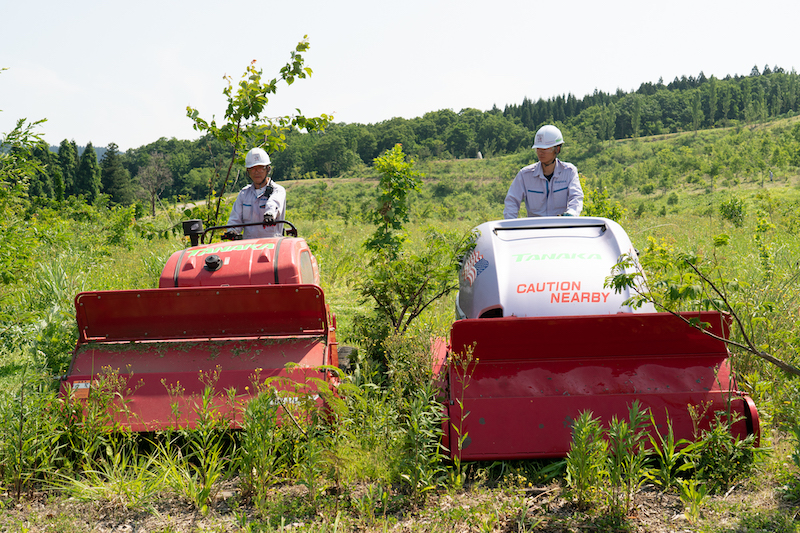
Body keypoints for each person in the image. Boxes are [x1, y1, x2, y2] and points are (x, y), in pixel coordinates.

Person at [503, 125, 583, 218]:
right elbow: (511, 201)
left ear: (557, 149)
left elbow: (576, 197)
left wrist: (572, 212)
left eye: (545, 149)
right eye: (538, 149)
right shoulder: (525, 175)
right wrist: (511, 225)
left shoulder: (569, 172)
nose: (540, 152)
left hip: (561, 227)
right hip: (535, 228)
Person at [225, 147, 287, 239]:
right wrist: (232, 231)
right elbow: (235, 218)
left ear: (268, 169)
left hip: (272, 245)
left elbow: (274, 203)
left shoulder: (278, 190)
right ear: (248, 172)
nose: (256, 172)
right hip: (249, 246)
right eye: (252, 169)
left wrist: (269, 214)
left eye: (260, 168)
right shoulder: (244, 194)